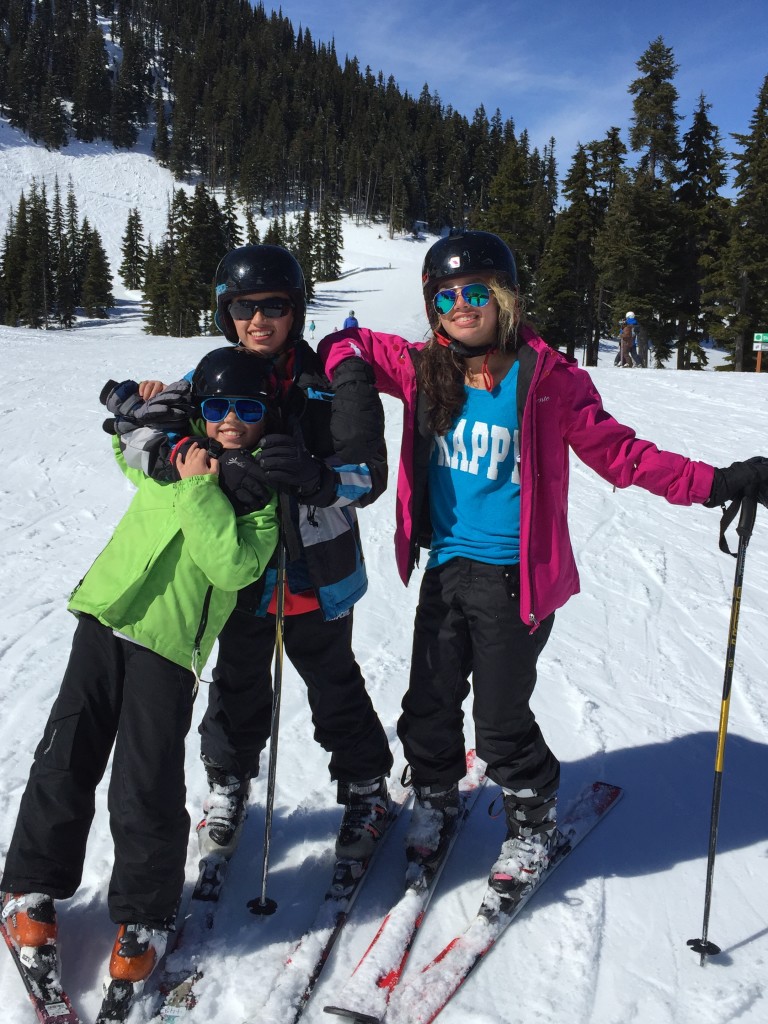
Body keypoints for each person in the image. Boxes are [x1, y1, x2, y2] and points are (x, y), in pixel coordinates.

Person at [318, 228, 768, 899]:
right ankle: (436, 801)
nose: (460, 306)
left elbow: (623, 455)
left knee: (500, 726)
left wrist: (713, 483)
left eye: (475, 292)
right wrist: (346, 372)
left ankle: (531, 820)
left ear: (504, 297)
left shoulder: (548, 378)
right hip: (445, 570)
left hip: (514, 583)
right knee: (427, 708)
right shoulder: (423, 364)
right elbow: (343, 343)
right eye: (444, 297)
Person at [0, 348, 278, 1007]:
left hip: (169, 646)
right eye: (218, 407)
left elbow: (234, 568)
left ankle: (146, 911)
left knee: (144, 782)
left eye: (247, 408)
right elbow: (129, 455)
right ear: (202, 412)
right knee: (65, 756)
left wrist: (199, 487)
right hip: (105, 616)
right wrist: (152, 413)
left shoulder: (257, 494)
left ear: (267, 417)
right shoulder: (175, 454)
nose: (232, 419)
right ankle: (30, 886)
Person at [129, 244, 393, 867]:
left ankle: (365, 786)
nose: (258, 320)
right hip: (241, 569)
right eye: (245, 307)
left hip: (315, 570)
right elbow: (141, 438)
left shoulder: (327, 380)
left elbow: (371, 477)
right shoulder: (212, 377)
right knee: (238, 683)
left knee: (333, 683)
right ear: (228, 313)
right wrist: (172, 444)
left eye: (273, 306)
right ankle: (227, 783)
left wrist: (322, 479)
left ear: (295, 311)